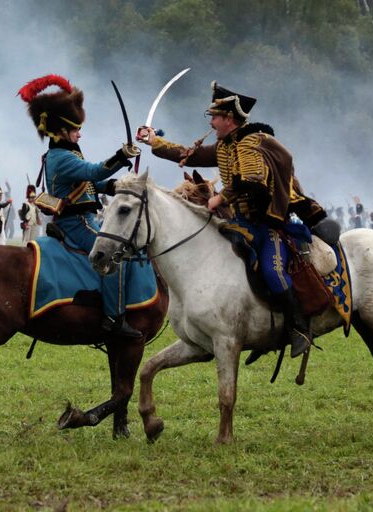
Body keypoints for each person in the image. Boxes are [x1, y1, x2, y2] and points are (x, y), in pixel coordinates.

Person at [137, 81, 328, 358]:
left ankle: (299, 328)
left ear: (229, 118)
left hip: (267, 225)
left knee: (273, 271)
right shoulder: (226, 146)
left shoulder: (251, 144)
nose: (211, 122)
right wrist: (154, 141)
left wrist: (220, 198)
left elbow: (254, 183)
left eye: (214, 116)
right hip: (241, 223)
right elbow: (189, 155)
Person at [18, 73, 145, 339]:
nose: (79, 133)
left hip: (85, 218)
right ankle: (113, 318)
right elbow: (94, 171)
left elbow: (88, 184)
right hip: (77, 223)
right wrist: (122, 156)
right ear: (62, 131)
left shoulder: (66, 153)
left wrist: (114, 186)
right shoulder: (62, 156)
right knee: (111, 258)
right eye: (75, 129)